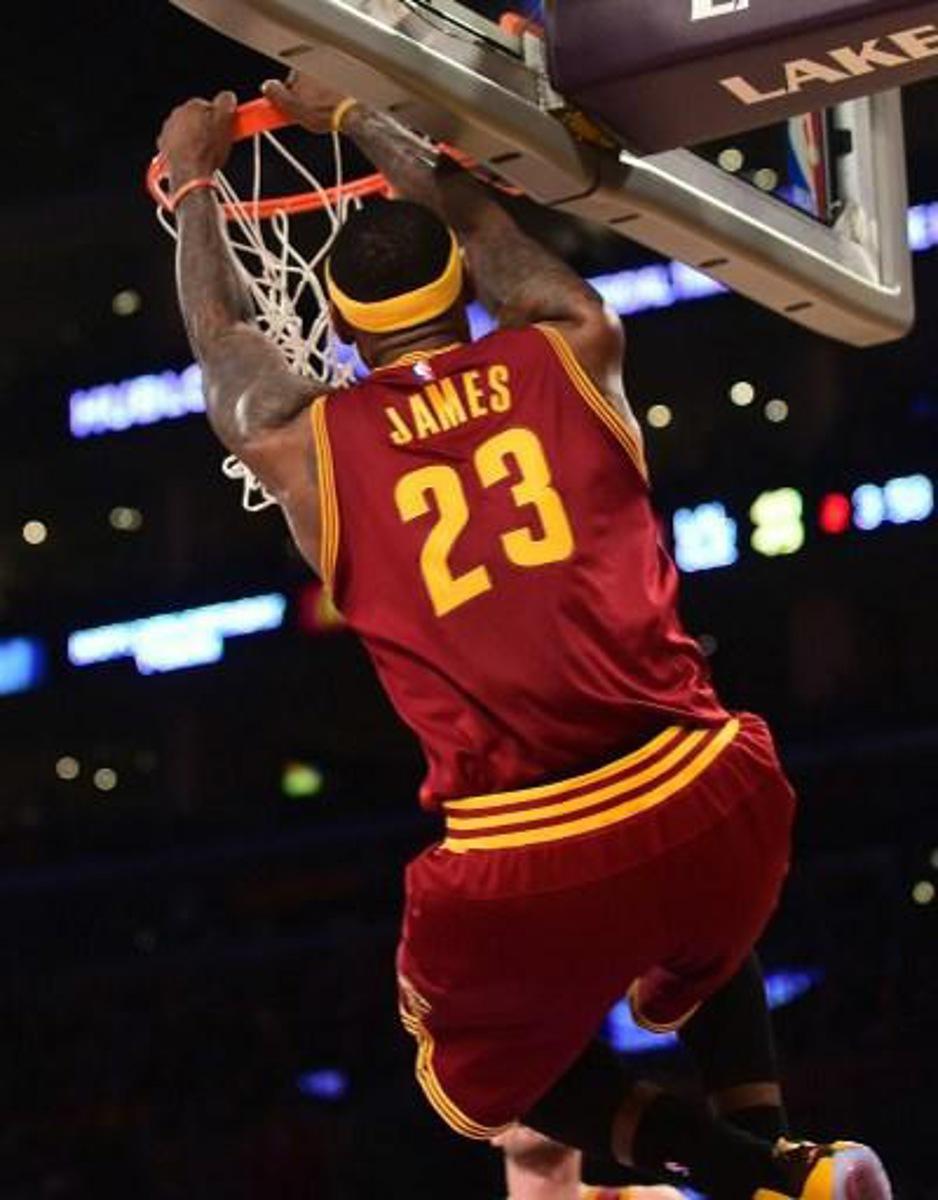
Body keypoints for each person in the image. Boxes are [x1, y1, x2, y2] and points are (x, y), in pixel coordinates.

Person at [155, 76, 892, 1200]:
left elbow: (222, 346)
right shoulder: (571, 346)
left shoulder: (309, 448)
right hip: (717, 789)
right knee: (695, 907)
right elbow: (486, 230)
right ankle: (789, 1158)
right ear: (461, 287)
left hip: (526, 847)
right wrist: (363, 124)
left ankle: (752, 1173)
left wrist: (199, 177)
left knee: (484, 1088)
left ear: (340, 325)